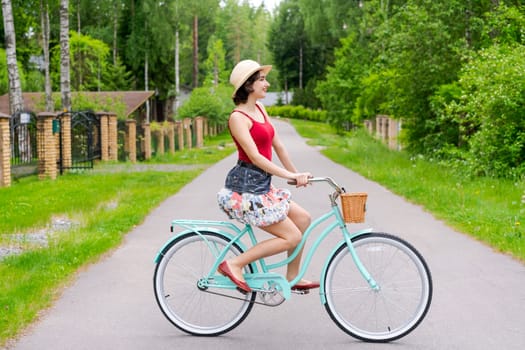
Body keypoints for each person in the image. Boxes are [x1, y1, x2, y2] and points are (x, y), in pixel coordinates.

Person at [217, 59, 319, 293]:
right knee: (291, 236)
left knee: (303, 219)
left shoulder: (261, 109)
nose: (267, 83)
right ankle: (234, 264)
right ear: (248, 85)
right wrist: (286, 175)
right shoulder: (238, 118)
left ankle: (293, 277)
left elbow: (278, 146)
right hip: (246, 188)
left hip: (262, 185)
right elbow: (256, 158)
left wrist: (295, 175)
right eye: (262, 80)